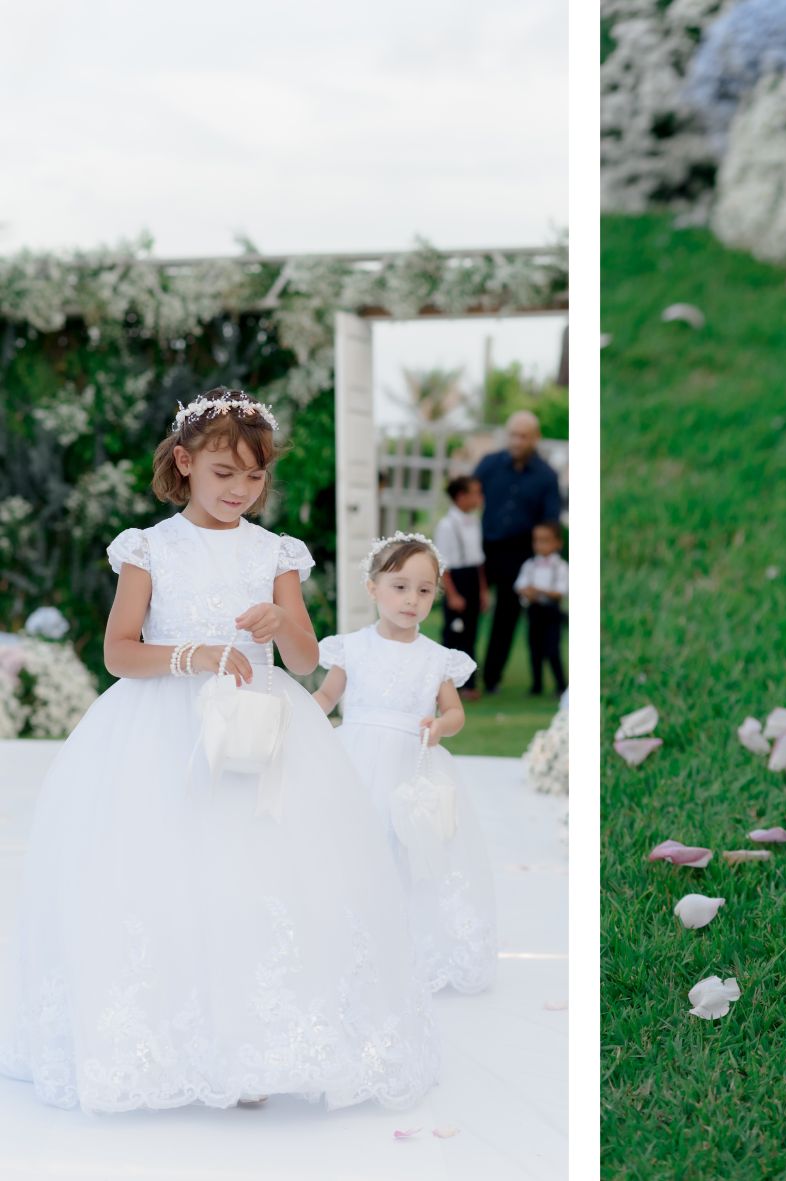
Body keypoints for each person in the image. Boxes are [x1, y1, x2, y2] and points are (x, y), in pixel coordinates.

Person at [0, 389, 438, 1113]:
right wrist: (193, 654)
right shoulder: (149, 546)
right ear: (185, 462)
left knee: (261, 877)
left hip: (261, 732)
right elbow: (118, 652)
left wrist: (277, 620)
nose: (241, 490)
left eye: (255, 477)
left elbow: (303, 657)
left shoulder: (275, 553)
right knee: (165, 879)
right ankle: (176, 1038)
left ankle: (256, 1044)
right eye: (224, 472)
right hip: (162, 733)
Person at [312, 532, 498, 995]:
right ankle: (352, 942)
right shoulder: (352, 648)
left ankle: (409, 945)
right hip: (356, 760)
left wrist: (439, 726)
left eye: (424, 589)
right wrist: (300, 715)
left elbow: (455, 712)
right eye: (399, 586)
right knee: (355, 844)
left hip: (410, 765)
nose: (411, 599)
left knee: (411, 849)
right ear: (373, 587)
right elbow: (328, 696)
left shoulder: (437, 658)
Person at [473, 411, 561, 695]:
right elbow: (469, 497)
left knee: (506, 618)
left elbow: (551, 520)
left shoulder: (546, 476)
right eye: (512, 434)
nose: (517, 441)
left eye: (523, 436)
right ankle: (464, 677)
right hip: (484, 549)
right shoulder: (489, 464)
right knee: (473, 612)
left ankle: (492, 677)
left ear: (535, 438)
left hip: (521, 554)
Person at [435, 475, 488, 701]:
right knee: (453, 633)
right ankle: (446, 684)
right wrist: (453, 594)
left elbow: (478, 560)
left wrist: (483, 590)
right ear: (461, 496)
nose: (479, 498)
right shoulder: (447, 525)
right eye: (475, 493)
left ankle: (469, 683)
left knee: (471, 634)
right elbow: (443, 563)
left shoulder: (474, 521)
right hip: (456, 580)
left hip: (473, 578)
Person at [515, 521, 568, 696]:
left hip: (551, 611)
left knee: (552, 649)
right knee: (534, 648)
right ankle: (536, 684)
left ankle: (561, 684)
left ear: (557, 543)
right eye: (537, 540)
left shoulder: (560, 566)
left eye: (545, 540)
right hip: (534, 611)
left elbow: (560, 591)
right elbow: (520, 585)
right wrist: (527, 591)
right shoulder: (530, 565)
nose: (540, 545)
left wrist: (538, 591)